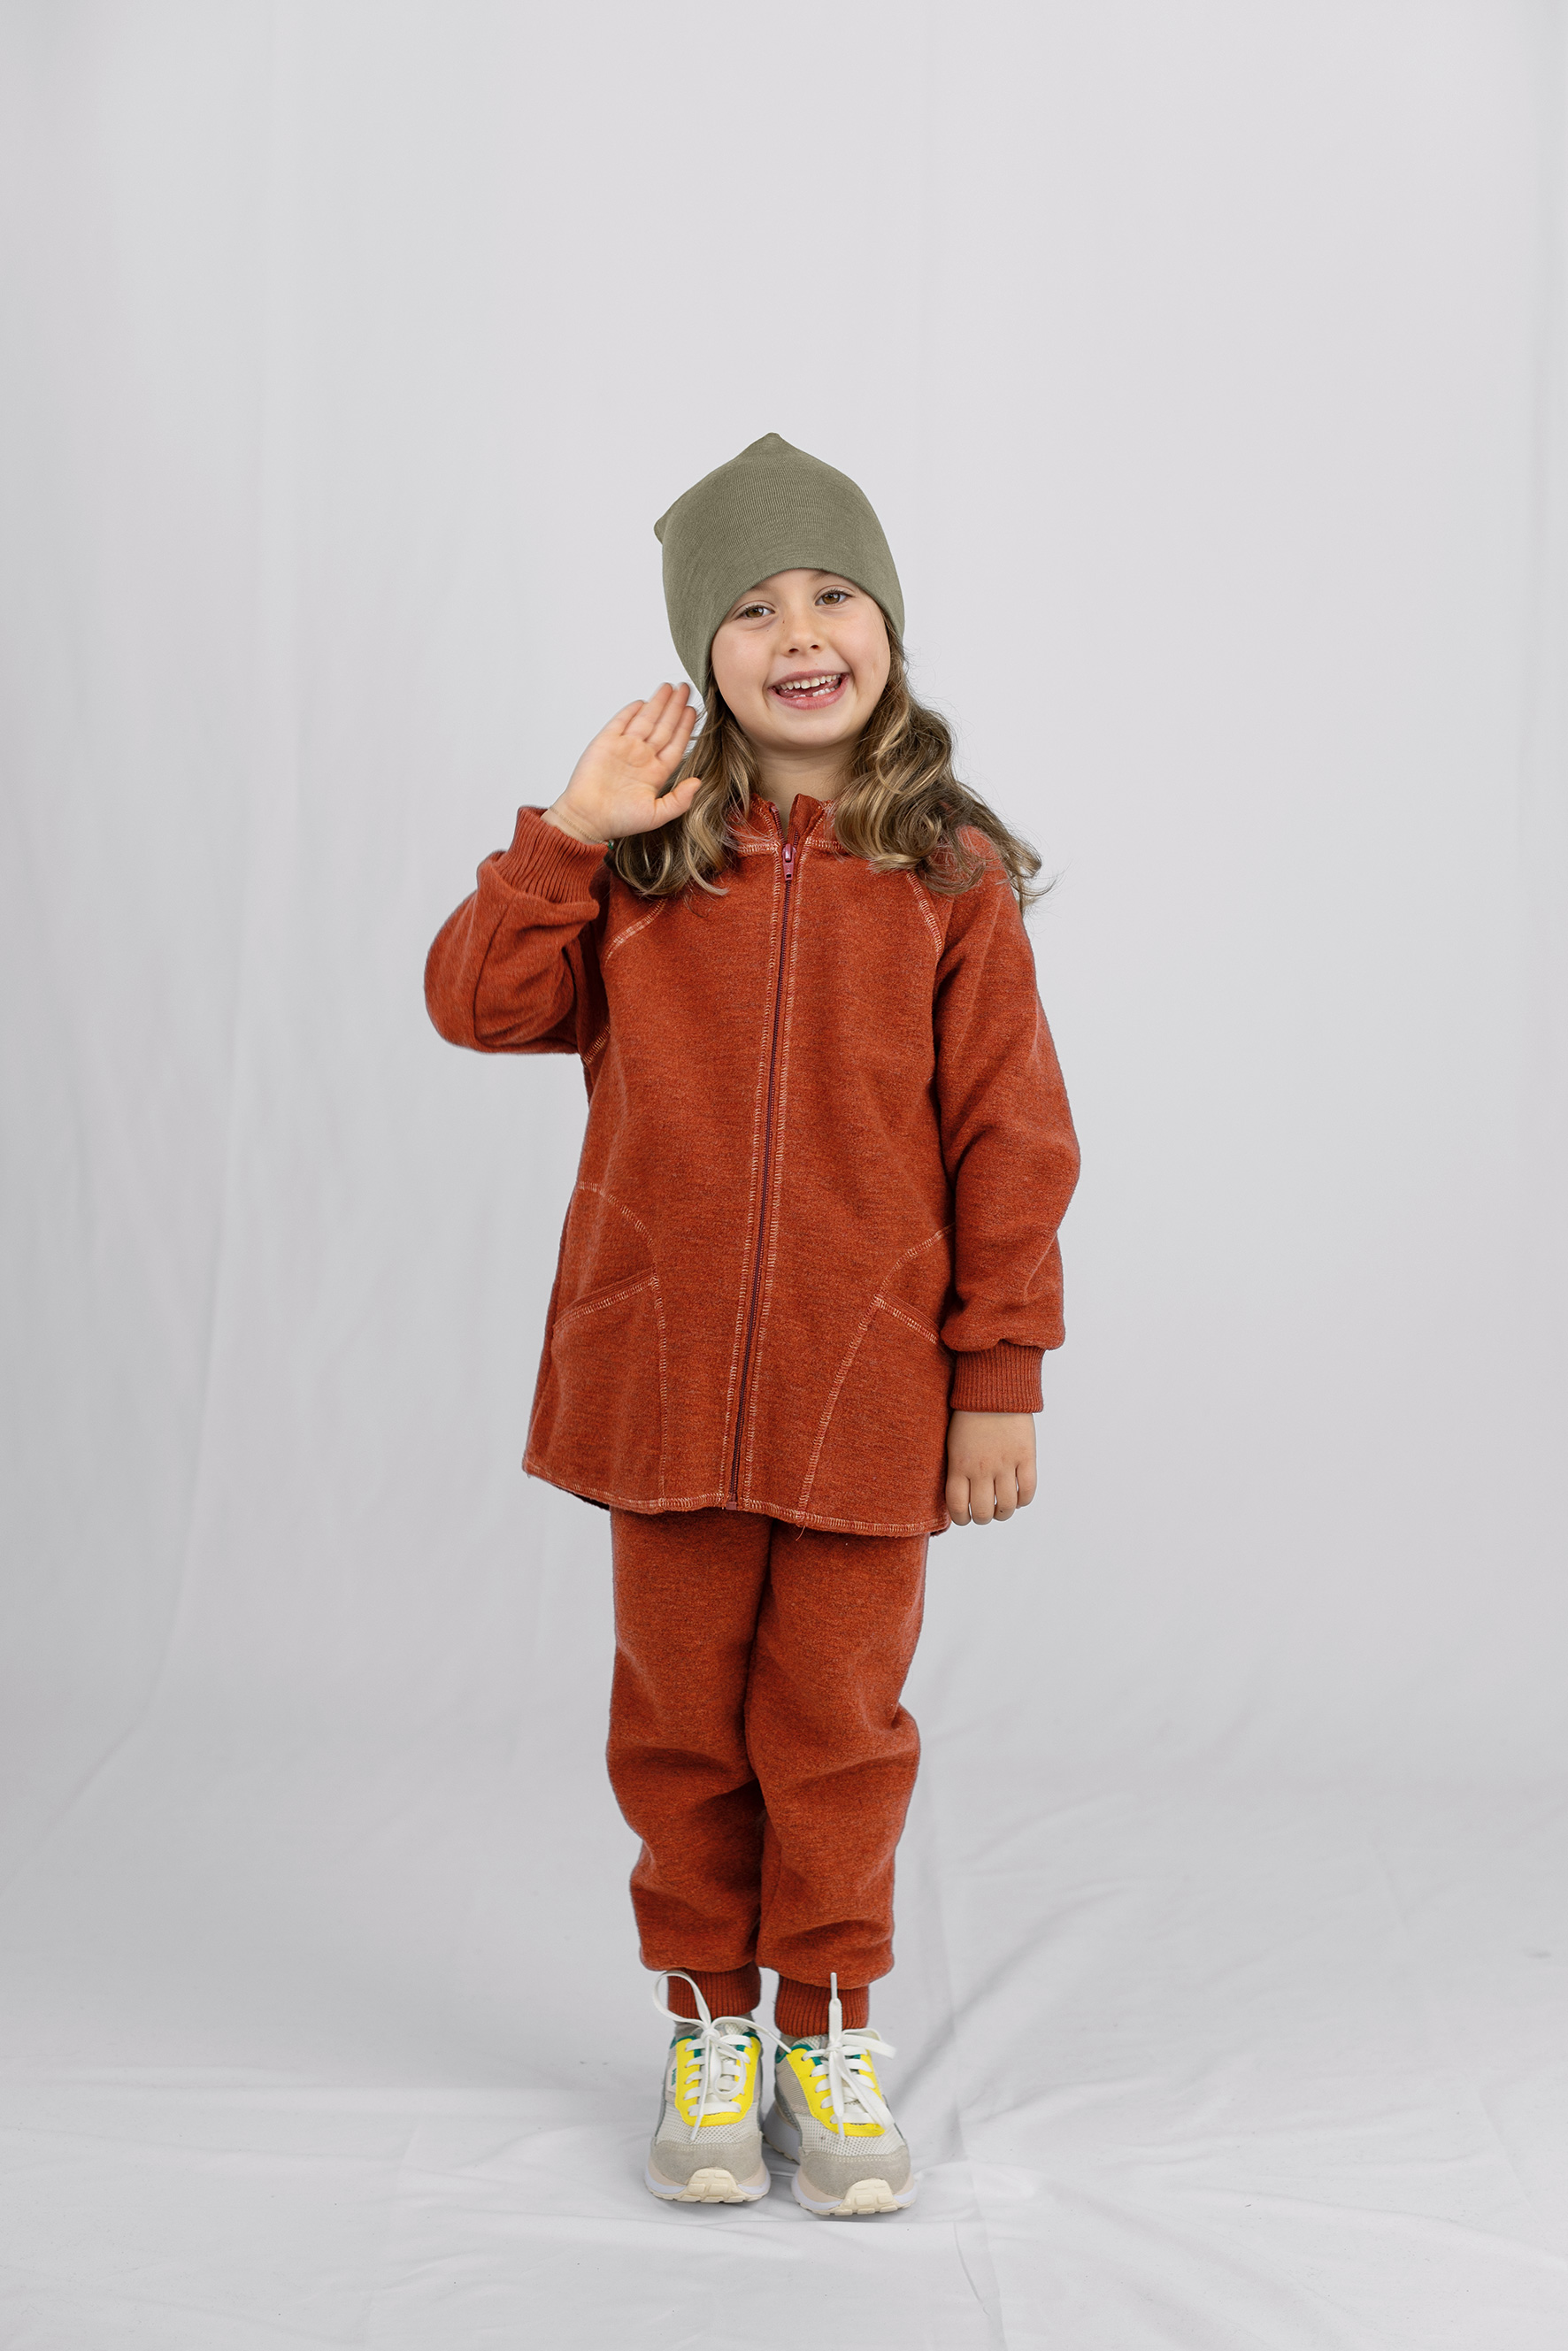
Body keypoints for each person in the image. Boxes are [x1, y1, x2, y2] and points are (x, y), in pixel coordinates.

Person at [425, 433, 1080, 2217]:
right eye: (752, 607)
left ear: (888, 627)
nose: (798, 633)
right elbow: (477, 1004)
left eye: (833, 595)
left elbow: (1013, 1139)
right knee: (680, 1730)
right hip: (660, 1388)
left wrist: (998, 1375)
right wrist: (570, 833)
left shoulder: (949, 877)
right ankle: (710, 2028)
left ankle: (827, 2027)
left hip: (872, 1391)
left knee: (838, 1728)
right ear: (699, 654)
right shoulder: (646, 863)